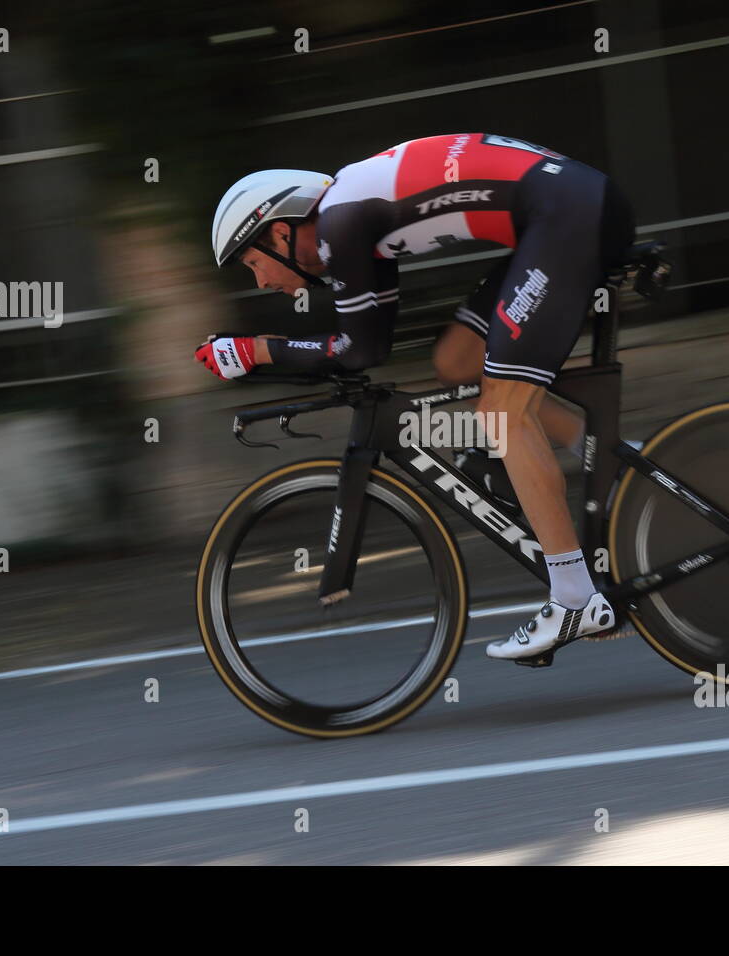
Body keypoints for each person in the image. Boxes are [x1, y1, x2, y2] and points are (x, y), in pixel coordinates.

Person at [197, 133, 634, 659]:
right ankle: (613, 463)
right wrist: (268, 352)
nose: (262, 280)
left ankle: (574, 598)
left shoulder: (342, 223)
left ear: (282, 233)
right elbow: (370, 346)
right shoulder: (351, 217)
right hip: (569, 209)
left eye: (253, 263)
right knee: (458, 363)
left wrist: (258, 352)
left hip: (568, 217)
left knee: (501, 412)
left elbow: (355, 350)